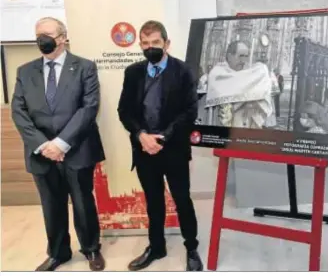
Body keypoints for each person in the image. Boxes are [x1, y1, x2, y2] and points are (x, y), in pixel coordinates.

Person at [11, 17, 106, 271]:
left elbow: (89, 108)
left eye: (48, 34)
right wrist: (44, 146)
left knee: (83, 202)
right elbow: (19, 112)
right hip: (41, 153)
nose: (42, 39)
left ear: (63, 37)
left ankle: (91, 248)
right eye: (38, 34)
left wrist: (61, 144)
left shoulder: (85, 67)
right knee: (51, 205)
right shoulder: (24, 71)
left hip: (77, 149)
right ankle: (58, 252)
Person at [117, 20, 203, 271]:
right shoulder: (133, 72)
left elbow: (189, 111)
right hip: (144, 149)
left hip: (173, 148)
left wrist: (163, 137)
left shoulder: (184, 71)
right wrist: (141, 134)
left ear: (166, 43)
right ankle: (156, 246)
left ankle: (191, 247)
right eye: (144, 43)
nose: (150, 47)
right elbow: (124, 110)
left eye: (155, 42)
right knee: (153, 201)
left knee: (182, 199)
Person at [204, 40, 273, 129]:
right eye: (240, 56)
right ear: (229, 56)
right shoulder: (218, 73)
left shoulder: (246, 74)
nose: (243, 60)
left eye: (246, 56)